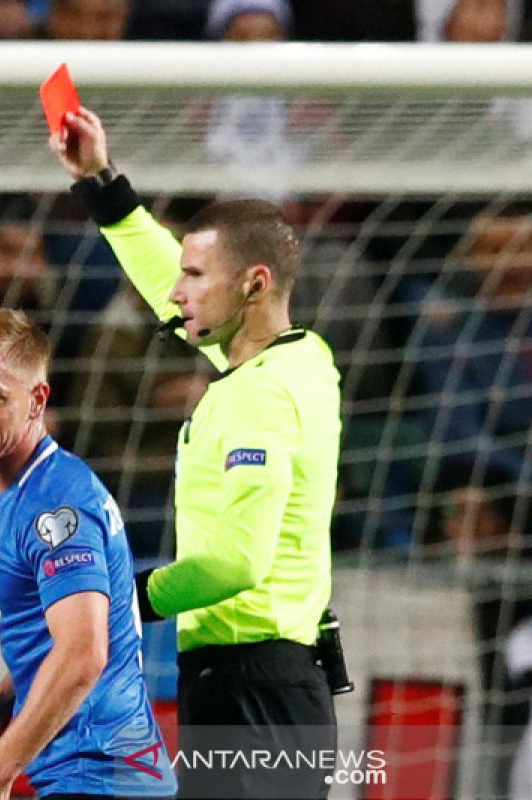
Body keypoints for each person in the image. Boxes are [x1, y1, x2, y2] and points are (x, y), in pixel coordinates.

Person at [51, 107, 340, 798]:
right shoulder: (304, 357)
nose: (177, 292)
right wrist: (103, 185)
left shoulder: (256, 398)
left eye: (197, 276)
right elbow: (166, 286)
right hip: (275, 685)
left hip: (254, 690)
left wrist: (120, 597)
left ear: (256, 284)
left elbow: (239, 560)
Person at [0, 308, 175, 800]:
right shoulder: (16, 491)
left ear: (37, 400)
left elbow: (83, 651)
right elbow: (55, 635)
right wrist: (6, 698)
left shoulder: (55, 505)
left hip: (102, 776)